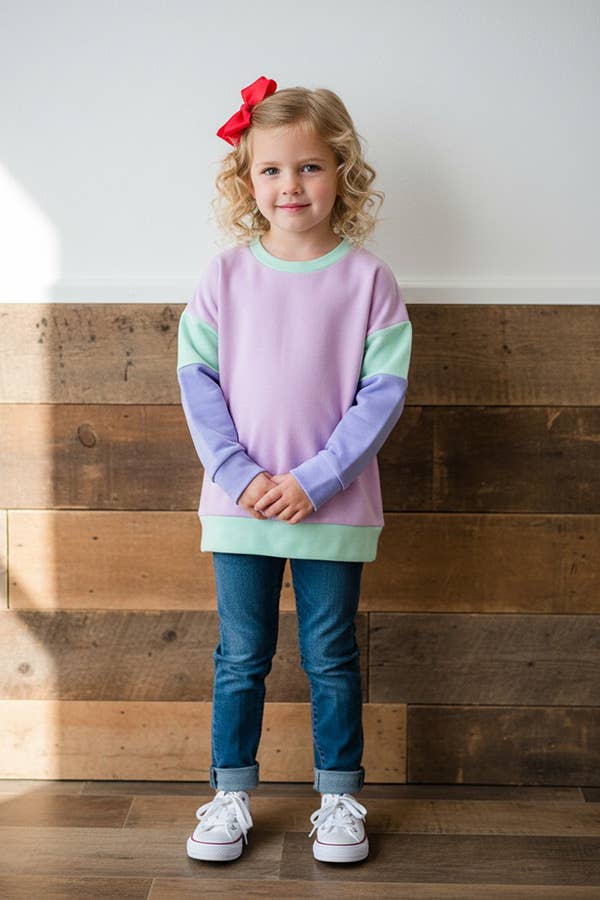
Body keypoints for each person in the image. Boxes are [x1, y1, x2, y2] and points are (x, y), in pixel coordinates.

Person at [178, 75, 412, 864]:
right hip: (239, 503)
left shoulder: (369, 281)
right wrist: (240, 475)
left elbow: (381, 396)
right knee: (241, 656)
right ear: (248, 179)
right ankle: (230, 795)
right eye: (272, 169)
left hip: (332, 508)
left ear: (341, 170)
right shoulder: (223, 277)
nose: (291, 184)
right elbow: (197, 382)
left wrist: (314, 480)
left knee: (330, 656)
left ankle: (340, 799)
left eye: (309, 166)